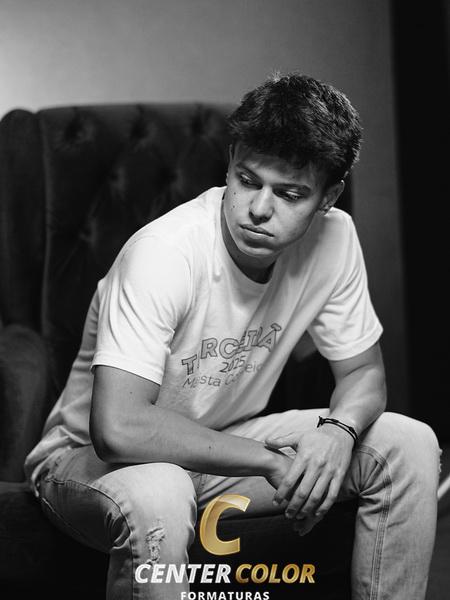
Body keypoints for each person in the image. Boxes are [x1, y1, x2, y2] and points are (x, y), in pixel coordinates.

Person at [24, 73, 440, 600]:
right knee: (160, 490)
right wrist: (267, 459)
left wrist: (338, 432)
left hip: (227, 441)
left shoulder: (335, 239)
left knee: (409, 443)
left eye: (290, 194)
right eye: (247, 180)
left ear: (329, 196)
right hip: (90, 461)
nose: (259, 209)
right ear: (230, 162)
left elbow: (362, 372)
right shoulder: (165, 252)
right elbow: (117, 429)